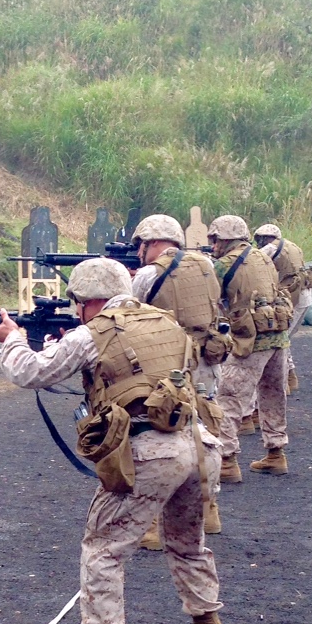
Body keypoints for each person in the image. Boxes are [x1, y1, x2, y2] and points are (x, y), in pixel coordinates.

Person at [0, 257, 229, 624]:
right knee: (188, 545)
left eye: (78, 303)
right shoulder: (165, 322)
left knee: (103, 549)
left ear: (87, 301)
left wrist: (13, 339)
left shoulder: (93, 332)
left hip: (148, 453)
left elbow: (30, 372)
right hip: (198, 445)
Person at [130, 212, 228, 535]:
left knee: (159, 433)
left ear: (155, 242)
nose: (139, 251)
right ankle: (209, 511)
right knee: (205, 433)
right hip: (207, 361)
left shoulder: (147, 276)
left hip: (167, 365)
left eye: (142, 244)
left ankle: (153, 524)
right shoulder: (207, 266)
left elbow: (131, 317)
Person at [207, 215, 293, 478]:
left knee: (229, 397)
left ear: (226, 239)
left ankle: (227, 462)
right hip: (278, 336)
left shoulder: (224, 265)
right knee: (273, 395)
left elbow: (211, 295)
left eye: (215, 239)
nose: (212, 245)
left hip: (250, 339)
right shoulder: (263, 257)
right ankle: (276, 453)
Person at [253, 222, 312, 395]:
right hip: (305, 296)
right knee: (284, 338)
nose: (259, 242)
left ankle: (286, 380)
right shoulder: (293, 247)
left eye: (260, 239)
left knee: (281, 339)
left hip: (292, 298)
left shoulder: (270, 249)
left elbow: (254, 261)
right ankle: (290, 377)